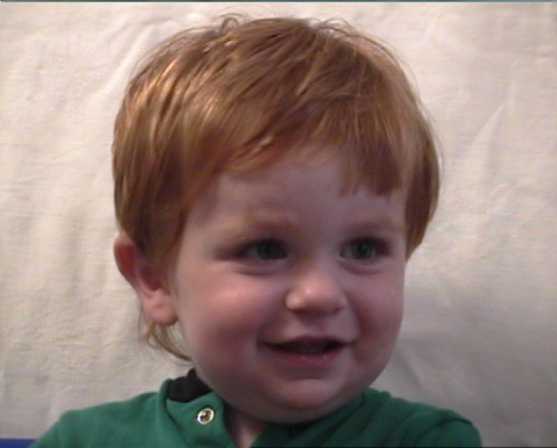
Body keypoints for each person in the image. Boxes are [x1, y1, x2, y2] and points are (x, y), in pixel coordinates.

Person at [34, 15, 481, 447]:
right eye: (265, 249)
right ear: (155, 279)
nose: (320, 294)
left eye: (363, 248)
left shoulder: (426, 440)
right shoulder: (81, 441)